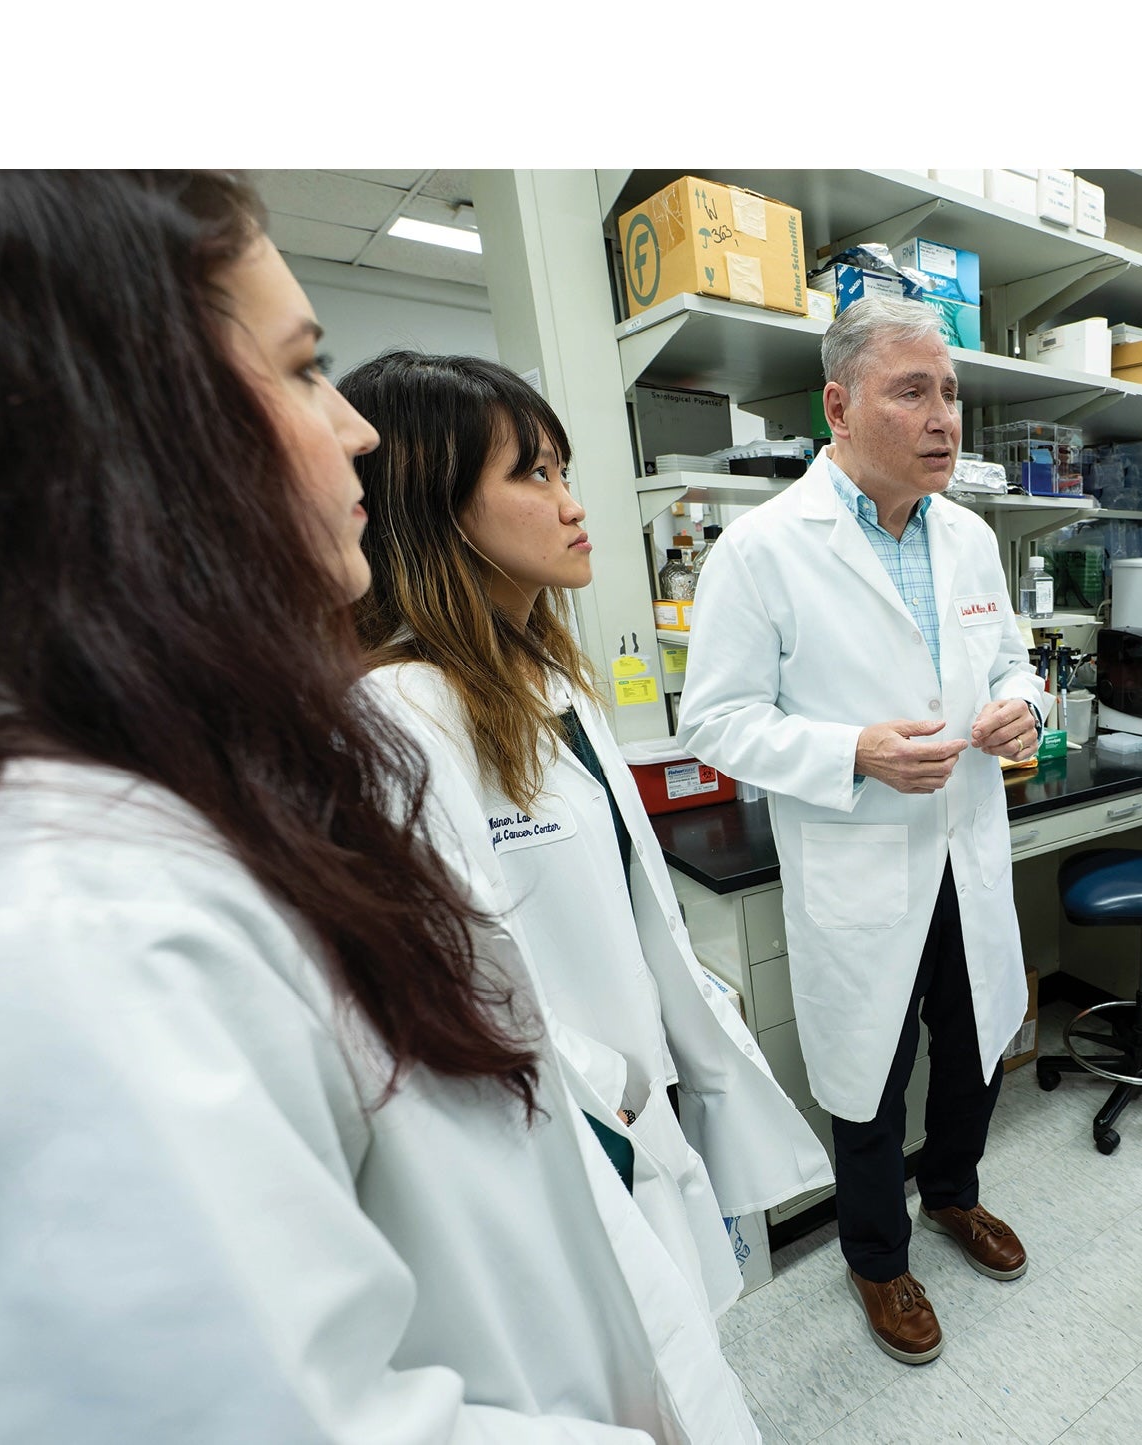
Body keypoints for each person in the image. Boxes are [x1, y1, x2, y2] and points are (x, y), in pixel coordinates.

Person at [0, 170, 700, 1440]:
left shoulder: (208, 780)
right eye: (305, 370)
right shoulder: (74, 918)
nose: (355, 429)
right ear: (129, 426)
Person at [341, 353, 833, 1363]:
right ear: (429, 504)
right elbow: (454, 979)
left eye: (563, 470)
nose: (572, 504)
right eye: (532, 474)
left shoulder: (541, 681)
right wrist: (608, 1087)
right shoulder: (401, 709)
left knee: (682, 1357)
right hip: (574, 1129)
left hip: (634, 1110)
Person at [677, 294, 1046, 1367]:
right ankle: (878, 1256)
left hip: (965, 845)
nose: (945, 419)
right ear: (838, 405)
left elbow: (1010, 656)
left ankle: (956, 1196)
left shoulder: (971, 537)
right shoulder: (761, 549)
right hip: (857, 857)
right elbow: (716, 719)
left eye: (952, 394)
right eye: (913, 391)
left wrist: (1020, 701)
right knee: (870, 1070)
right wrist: (853, 750)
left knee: (974, 1043)